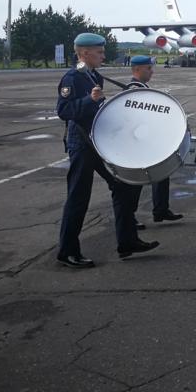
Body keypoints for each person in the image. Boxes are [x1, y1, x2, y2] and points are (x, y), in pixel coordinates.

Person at [56, 33, 158, 267]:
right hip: (81, 145)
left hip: (97, 142)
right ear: (84, 53)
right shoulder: (73, 77)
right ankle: (67, 251)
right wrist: (89, 101)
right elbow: (64, 111)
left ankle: (128, 241)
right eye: (100, 52)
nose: (104, 55)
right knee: (78, 197)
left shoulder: (93, 76)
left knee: (123, 185)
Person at [125, 55, 184, 225]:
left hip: (149, 142)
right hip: (139, 144)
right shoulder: (133, 89)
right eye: (148, 68)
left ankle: (161, 210)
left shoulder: (141, 88)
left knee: (161, 174)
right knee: (135, 183)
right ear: (137, 69)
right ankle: (130, 218)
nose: (152, 72)